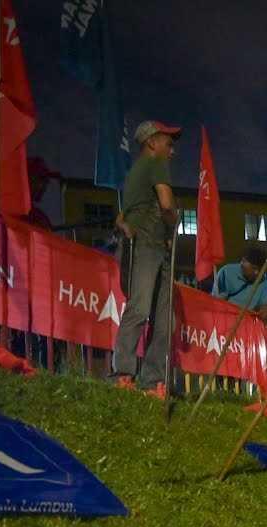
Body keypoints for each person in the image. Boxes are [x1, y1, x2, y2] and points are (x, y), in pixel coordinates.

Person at [113, 119, 180, 398]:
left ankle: (143, 379)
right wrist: (174, 220)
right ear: (152, 142)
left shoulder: (137, 171)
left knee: (161, 317)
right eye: (168, 142)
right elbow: (166, 203)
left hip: (148, 244)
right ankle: (132, 377)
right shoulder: (155, 163)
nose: (172, 150)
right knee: (146, 310)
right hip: (147, 243)